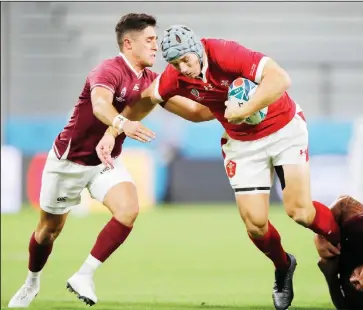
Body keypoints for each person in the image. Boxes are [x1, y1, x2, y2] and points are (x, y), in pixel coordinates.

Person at [97, 24, 341, 310]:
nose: (183, 68)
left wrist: (244, 109)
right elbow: (149, 99)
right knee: (256, 224)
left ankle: (349, 249)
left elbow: (280, 79)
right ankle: (283, 265)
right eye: (175, 64)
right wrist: (114, 130)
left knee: (299, 212)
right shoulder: (175, 76)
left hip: (284, 129)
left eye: (186, 60)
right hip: (242, 144)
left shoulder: (224, 52)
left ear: (197, 49)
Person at [8, 14, 212, 308]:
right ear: (129, 44)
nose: (157, 46)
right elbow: (100, 104)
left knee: (128, 210)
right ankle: (31, 283)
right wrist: (123, 124)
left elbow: (193, 112)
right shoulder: (108, 70)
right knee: (48, 231)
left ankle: (84, 275)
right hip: (70, 161)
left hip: (107, 160)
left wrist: (228, 105)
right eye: (150, 40)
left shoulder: (151, 81)